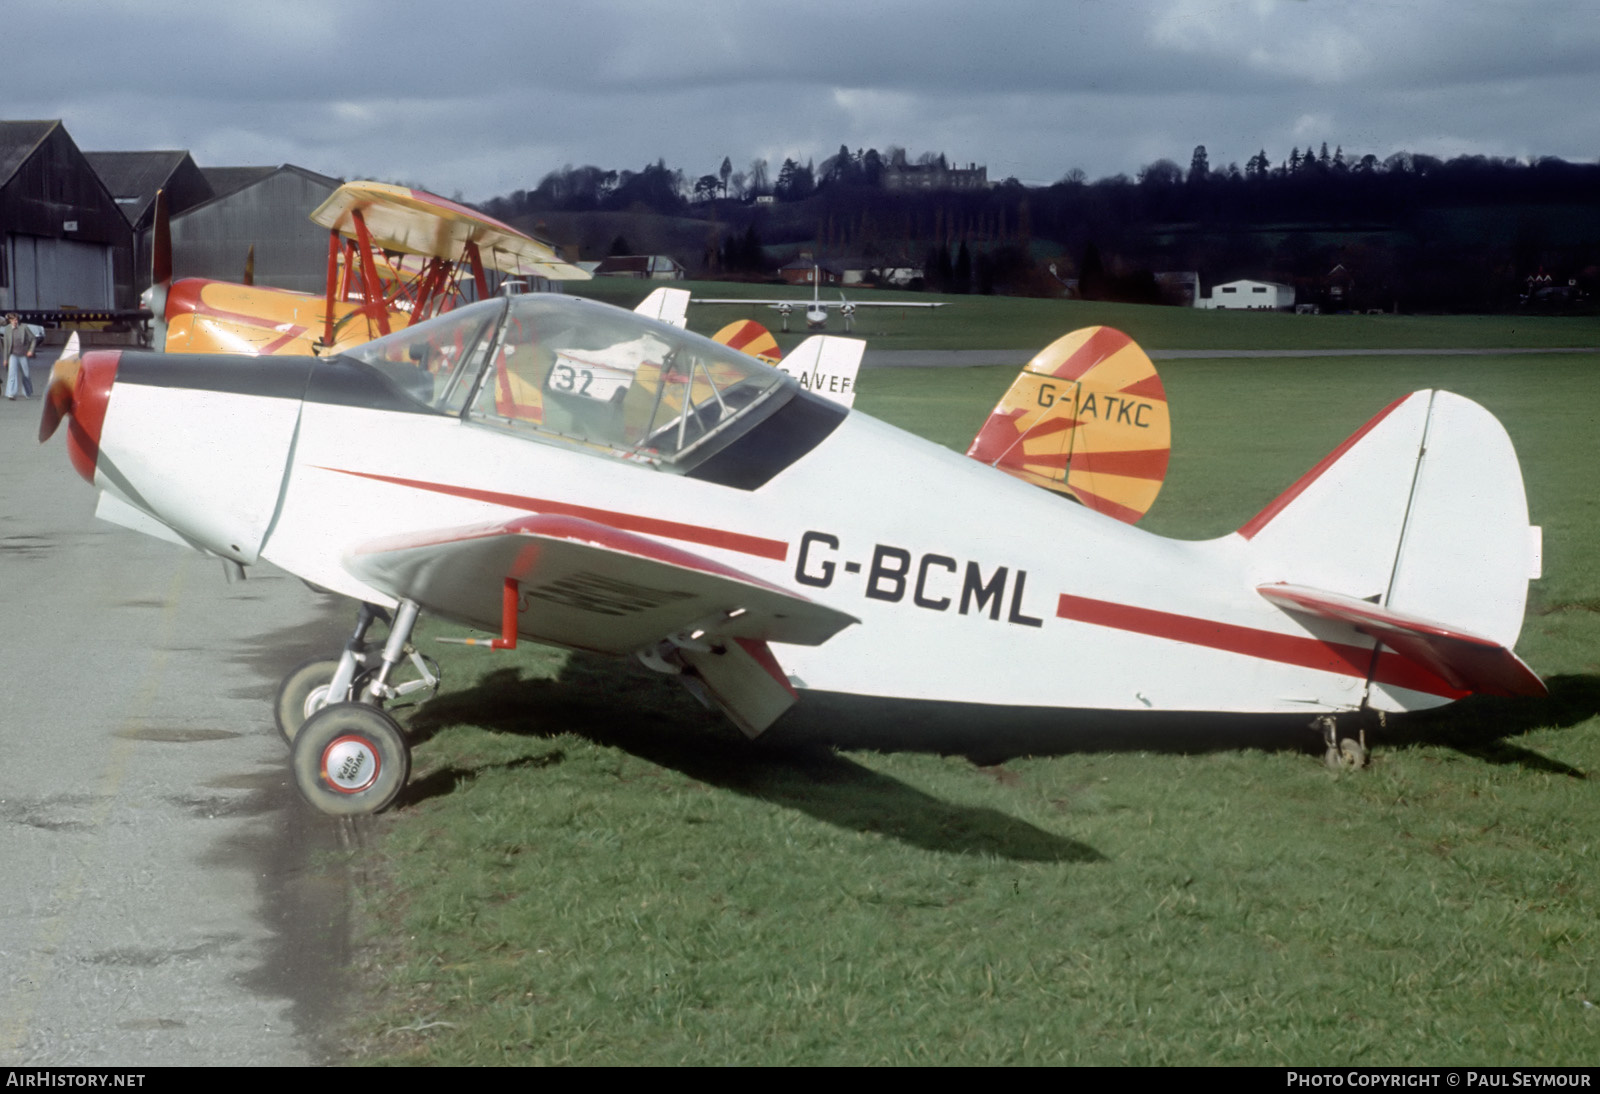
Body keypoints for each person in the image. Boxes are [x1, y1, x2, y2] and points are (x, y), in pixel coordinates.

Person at [3, 313, 37, 400]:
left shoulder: (24, 327)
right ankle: (11, 393)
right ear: (10, 320)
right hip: (13, 355)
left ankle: (27, 392)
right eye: (14, 320)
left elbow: (33, 339)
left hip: (23, 354)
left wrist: (30, 350)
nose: (16, 321)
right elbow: (6, 345)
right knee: (12, 374)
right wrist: (5, 359)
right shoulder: (7, 329)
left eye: (17, 319)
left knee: (26, 374)